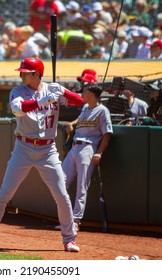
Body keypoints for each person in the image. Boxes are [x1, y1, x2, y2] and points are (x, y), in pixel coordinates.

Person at [0, 57, 84, 252]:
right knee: (4, 194)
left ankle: (69, 239)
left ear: (36, 74)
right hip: (24, 148)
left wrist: (62, 91)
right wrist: (44, 100)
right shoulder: (17, 91)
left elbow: (79, 101)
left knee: (62, 195)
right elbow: (18, 110)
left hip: (48, 150)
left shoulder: (51, 89)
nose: (21, 74)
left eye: (25, 72)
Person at [60, 85, 113, 231]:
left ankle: (75, 221)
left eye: (85, 92)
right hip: (75, 148)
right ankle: (66, 220)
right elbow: (81, 118)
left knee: (81, 186)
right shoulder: (85, 108)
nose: (82, 94)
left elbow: (107, 134)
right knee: (61, 182)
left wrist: (99, 153)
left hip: (89, 148)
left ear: (91, 95)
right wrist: (72, 123)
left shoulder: (103, 111)